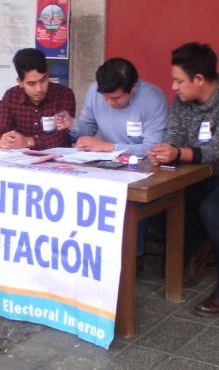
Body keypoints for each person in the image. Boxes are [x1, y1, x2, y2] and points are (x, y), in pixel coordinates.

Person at [148, 42, 219, 317]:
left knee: (212, 209)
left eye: (179, 81)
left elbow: (216, 151)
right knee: (158, 201)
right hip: (200, 174)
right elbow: (174, 136)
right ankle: (198, 244)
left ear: (199, 79)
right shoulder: (182, 102)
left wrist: (178, 153)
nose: (174, 87)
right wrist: (164, 151)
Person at [55, 57, 168, 272]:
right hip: (104, 163)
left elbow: (152, 148)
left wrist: (108, 147)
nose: (109, 103)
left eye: (115, 98)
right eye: (105, 97)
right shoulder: (94, 91)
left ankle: (133, 258)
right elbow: (87, 127)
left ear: (133, 88)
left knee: (130, 199)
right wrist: (72, 125)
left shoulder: (153, 99)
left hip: (143, 168)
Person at [0, 48, 76, 150]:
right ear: (20, 82)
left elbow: (62, 136)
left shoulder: (64, 94)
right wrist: (4, 140)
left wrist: (28, 141)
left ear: (48, 75)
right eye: (31, 84)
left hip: (57, 156)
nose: (39, 89)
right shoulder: (11, 96)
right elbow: (1, 131)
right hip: (20, 156)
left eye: (43, 81)